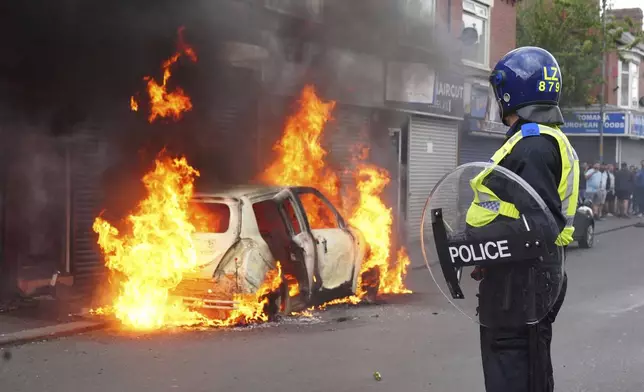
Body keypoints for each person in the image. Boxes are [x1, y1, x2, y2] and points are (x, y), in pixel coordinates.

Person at [466, 46, 579, 392]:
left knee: (513, 374)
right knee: (529, 369)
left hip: (518, 289)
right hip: (521, 281)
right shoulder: (541, 141)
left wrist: (476, 245)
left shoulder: (532, 147)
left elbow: (540, 227)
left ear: (512, 91)